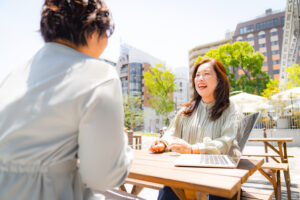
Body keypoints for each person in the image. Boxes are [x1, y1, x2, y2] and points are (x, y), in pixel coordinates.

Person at [0, 0, 132, 199]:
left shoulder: (13, 76)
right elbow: (103, 177)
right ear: (95, 31)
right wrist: (122, 144)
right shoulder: (100, 76)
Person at [149, 58, 243, 200]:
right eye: (197, 75)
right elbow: (171, 132)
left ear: (220, 80)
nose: (200, 79)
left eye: (206, 74)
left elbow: (227, 142)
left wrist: (193, 149)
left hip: (219, 177)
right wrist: (163, 143)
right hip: (187, 175)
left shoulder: (231, 109)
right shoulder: (187, 110)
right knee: (168, 190)